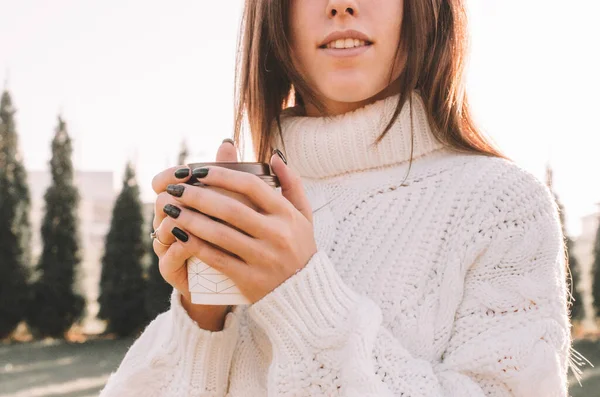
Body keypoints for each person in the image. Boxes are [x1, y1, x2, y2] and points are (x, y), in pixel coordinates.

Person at [100, 0, 573, 395]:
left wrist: (300, 293)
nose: (341, 5)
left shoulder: (501, 203)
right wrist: (201, 318)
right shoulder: (252, 211)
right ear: (275, 17)